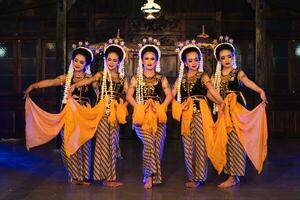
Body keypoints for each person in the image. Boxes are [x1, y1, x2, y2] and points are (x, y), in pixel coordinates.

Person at [24, 45, 96, 185]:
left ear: (86, 64)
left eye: (82, 62)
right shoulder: (66, 78)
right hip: (68, 115)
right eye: (76, 60)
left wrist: (89, 104)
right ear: (72, 61)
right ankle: (74, 175)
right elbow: (51, 82)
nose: (78, 64)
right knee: (67, 145)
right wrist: (33, 86)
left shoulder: (90, 79)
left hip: (83, 116)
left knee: (84, 144)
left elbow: (95, 96)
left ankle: (84, 175)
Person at [70, 39, 128, 187]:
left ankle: (110, 177)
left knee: (113, 144)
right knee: (102, 145)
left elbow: (128, 95)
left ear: (119, 62)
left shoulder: (122, 79)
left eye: (115, 60)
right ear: (105, 60)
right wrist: (75, 85)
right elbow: (88, 82)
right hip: (102, 112)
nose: (111, 62)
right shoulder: (101, 75)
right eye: (109, 59)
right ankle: (103, 177)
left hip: (115, 113)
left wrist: (123, 106)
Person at [211, 36, 268, 188]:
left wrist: (260, 91)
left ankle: (233, 176)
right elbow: (209, 92)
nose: (227, 60)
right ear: (219, 60)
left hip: (236, 112)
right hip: (223, 112)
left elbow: (248, 82)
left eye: (229, 56)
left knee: (236, 143)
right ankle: (231, 174)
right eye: (223, 58)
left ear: (234, 56)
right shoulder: (214, 76)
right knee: (226, 143)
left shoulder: (237, 73)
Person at [172, 42, 224, 188]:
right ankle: (192, 177)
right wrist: (178, 105)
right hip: (187, 116)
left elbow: (211, 92)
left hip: (201, 114)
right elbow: (171, 94)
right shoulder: (181, 78)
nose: (194, 62)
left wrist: (222, 102)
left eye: (196, 59)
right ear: (185, 62)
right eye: (190, 60)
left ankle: (199, 177)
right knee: (188, 146)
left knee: (201, 146)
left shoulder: (203, 76)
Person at [126, 37, 172, 189]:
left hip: (158, 115)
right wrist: (139, 107)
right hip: (142, 116)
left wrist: (162, 107)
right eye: (146, 58)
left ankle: (153, 175)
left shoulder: (161, 77)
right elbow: (129, 96)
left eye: (152, 58)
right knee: (149, 142)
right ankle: (148, 175)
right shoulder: (136, 78)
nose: (150, 61)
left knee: (157, 144)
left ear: (157, 60)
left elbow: (169, 95)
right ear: (142, 60)